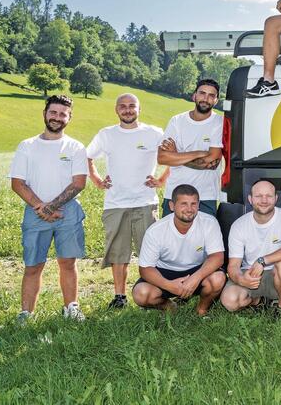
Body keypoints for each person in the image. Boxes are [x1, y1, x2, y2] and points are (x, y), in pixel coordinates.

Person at [9, 95, 88, 324]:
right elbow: (17, 183)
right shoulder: (27, 146)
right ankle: (26, 313)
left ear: (69, 117)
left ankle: (71, 308)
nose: (57, 117)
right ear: (45, 113)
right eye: (53, 112)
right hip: (34, 213)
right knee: (33, 264)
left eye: (63, 114)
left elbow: (79, 183)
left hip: (68, 213)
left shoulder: (75, 147)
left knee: (68, 262)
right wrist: (40, 208)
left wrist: (51, 207)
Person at [86, 93, 167, 310]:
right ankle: (119, 296)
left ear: (139, 109)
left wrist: (161, 180)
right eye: (123, 106)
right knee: (118, 252)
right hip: (115, 203)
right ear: (116, 110)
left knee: (148, 252)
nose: (128, 110)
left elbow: (173, 154)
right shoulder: (106, 135)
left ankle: (150, 293)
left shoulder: (153, 133)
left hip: (145, 201)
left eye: (132, 106)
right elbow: (88, 156)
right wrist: (96, 179)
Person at [131, 184, 226, 316]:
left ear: (199, 205)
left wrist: (195, 278)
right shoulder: (156, 231)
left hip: (197, 269)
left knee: (218, 279)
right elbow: (145, 269)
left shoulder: (209, 222)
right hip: (165, 271)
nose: (189, 209)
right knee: (141, 294)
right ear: (171, 205)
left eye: (193, 204)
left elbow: (217, 257)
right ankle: (170, 306)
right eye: (183, 204)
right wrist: (170, 285)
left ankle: (202, 310)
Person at [220, 180, 281, 314]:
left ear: (276, 198)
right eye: (258, 196)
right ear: (250, 199)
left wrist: (262, 260)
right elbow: (233, 265)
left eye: (269, 196)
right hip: (251, 273)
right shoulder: (239, 225)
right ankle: (258, 301)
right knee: (230, 301)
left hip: (278, 274)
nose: (264, 200)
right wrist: (241, 279)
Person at [158, 79, 223, 217]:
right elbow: (162, 158)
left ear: (216, 101)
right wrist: (200, 153)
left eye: (212, 95)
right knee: (171, 238)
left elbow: (211, 163)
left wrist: (176, 155)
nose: (206, 98)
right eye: (202, 93)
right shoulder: (177, 121)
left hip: (205, 196)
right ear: (194, 95)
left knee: (204, 239)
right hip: (175, 194)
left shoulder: (219, 123)